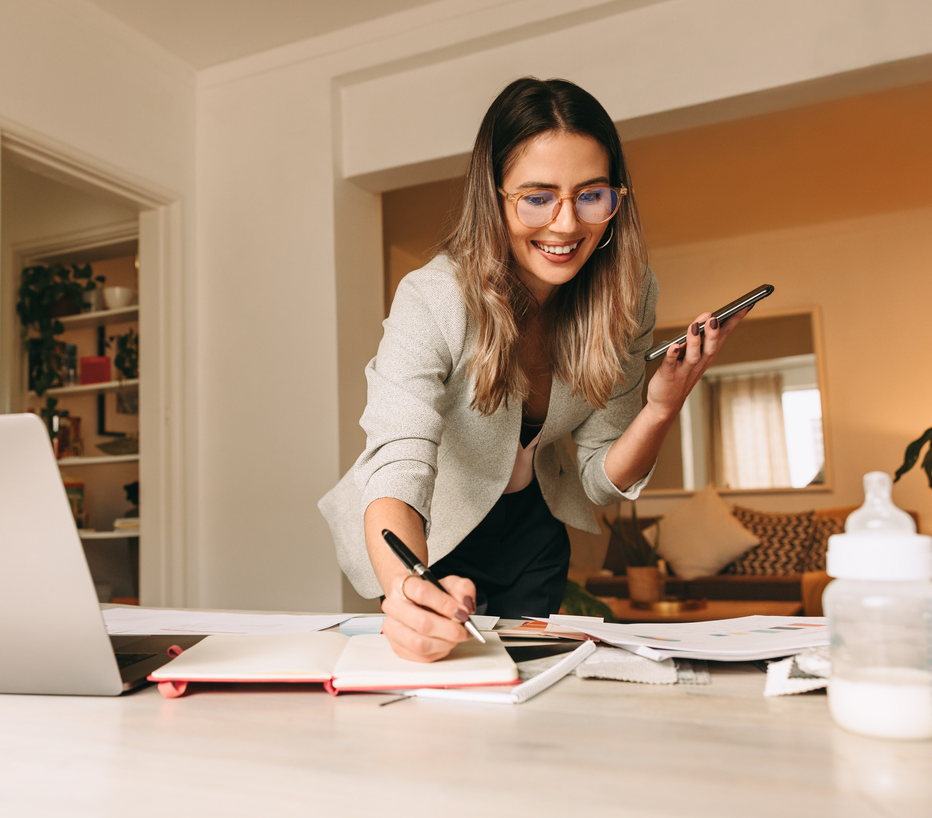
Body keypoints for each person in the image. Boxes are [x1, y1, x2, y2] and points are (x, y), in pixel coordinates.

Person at [318, 77, 746, 662]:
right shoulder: (433, 297)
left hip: (534, 529)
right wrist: (407, 588)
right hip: (429, 530)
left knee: (532, 690)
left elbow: (599, 478)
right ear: (493, 198)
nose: (567, 225)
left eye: (591, 194)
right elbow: (397, 463)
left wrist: (661, 406)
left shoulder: (627, 295)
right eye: (537, 197)